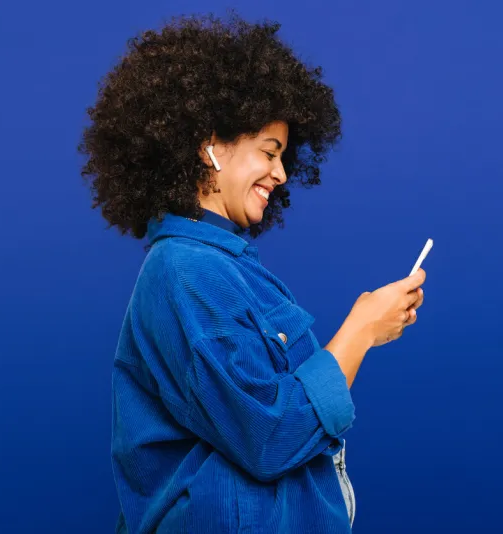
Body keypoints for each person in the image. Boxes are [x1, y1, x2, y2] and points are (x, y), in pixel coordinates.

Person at [78, 12, 426, 534]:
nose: (282, 174)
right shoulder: (186, 272)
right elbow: (269, 437)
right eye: (269, 152)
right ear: (211, 147)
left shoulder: (222, 267)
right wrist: (360, 331)